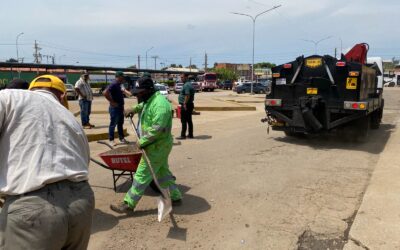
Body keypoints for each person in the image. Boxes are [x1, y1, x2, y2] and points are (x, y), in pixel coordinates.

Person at [0, 74, 94, 250]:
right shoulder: (70, 117)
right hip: (82, 202)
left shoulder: (9, 97)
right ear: (62, 96)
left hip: (33, 207)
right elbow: (84, 161)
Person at [110, 77, 182, 213]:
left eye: (140, 92)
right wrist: (133, 109)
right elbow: (143, 106)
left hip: (157, 146)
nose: (137, 95)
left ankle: (128, 203)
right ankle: (176, 197)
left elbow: (157, 129)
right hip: (157, 145)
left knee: (141, 175)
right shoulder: (150, 100)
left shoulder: (160, 105)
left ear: (149, 90)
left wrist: (141, 142)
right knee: (163, 173)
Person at [103, 71, 131, 146]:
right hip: (115, 108)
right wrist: (112, 102)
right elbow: (105, 92)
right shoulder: (114, 84)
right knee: (113, 124)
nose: (123, 78)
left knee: (120, 124)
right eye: (122, 77)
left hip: (120, 107)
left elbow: (127, 93)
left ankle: (121, 138)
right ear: (119, 77)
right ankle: (111, 140)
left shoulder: (119, 85)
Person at [177, 73, 195, 139]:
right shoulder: (188, 84)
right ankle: (190, 134)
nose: (181, 79)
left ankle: (183, 135)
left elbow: (187, 95)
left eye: (182, 77)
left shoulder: (187, 85)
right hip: (189, 104)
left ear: (186, 77)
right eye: (181, 77)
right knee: (189, 120)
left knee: (184, 120)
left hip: (186, 105)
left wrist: (184, 103)